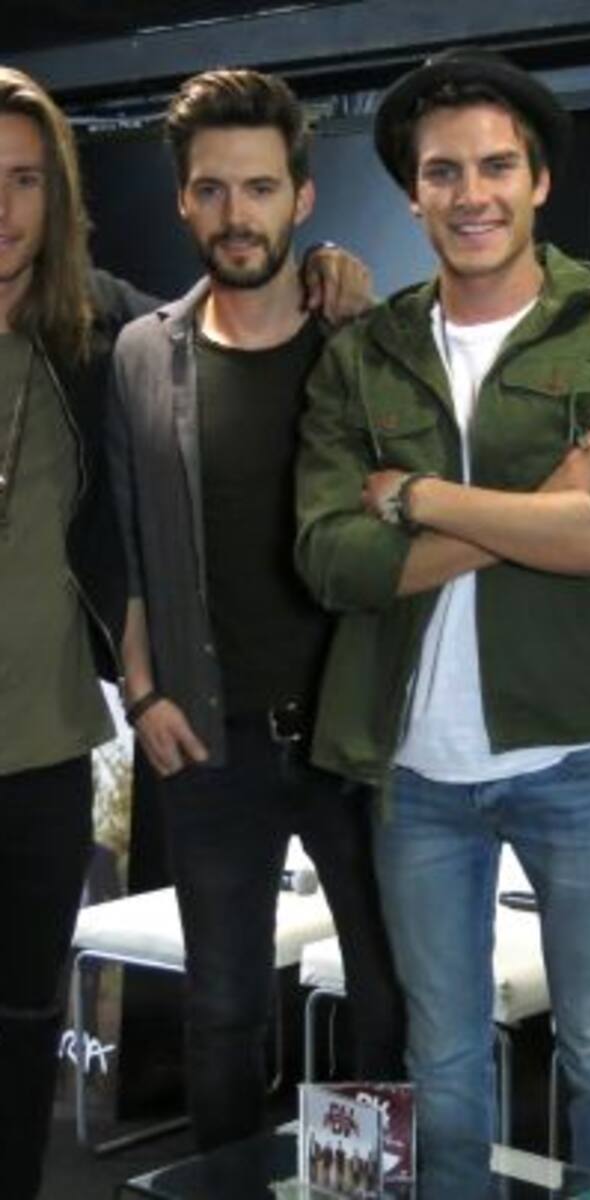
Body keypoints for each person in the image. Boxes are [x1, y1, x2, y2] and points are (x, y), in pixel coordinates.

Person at [294, 47, 590, 1196]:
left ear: (539, 180)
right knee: (445, 1063)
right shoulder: (364, 356)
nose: (473, 194)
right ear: (414, 195)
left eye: (497, 166)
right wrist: (549, 499)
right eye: (444, 172)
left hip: (577, 762)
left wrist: (423, 499)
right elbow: (335, 560)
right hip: (415, 774)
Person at [107, 68, 404, 1151]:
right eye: (213, 190)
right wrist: (143, 693)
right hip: (210, 742)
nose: (238, 215)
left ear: (303, 197)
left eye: (261, 188)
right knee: (223, 1010)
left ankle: (359, 1187)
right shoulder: (145, 355)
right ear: (185, 202)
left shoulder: (359, 342)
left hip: (354, 740)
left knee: (385, 1000)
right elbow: (131, 546)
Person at [0, 66, 156, 1200]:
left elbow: (226, 325)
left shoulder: (93, 330)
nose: (1, 209)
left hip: (41, 752)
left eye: (22, 180)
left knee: (20, 1037)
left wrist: (323, 278)